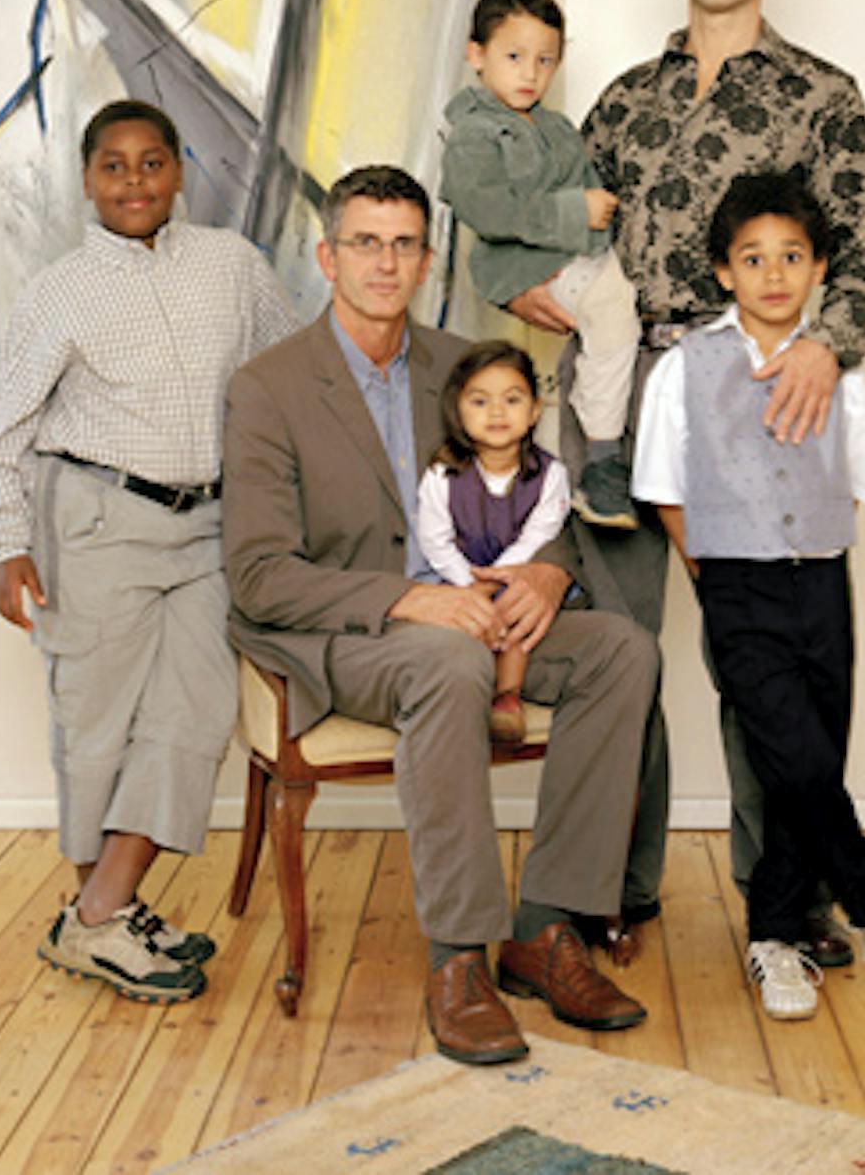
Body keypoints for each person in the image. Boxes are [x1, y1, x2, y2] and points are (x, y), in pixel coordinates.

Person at [508, 0, 865, 965]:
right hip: (615, 392)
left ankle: (791, 903)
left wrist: (824, 344)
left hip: (752, 394)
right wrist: (521, 283)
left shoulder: (822, 95)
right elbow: (551, 225)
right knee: (616, 652)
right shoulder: (624, 98)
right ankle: (612, 891)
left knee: (760, 660)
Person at [224, 165, 659, 1066]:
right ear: (328, 258)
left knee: (622, 650)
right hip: (349, 634)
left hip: (477, 609)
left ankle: (545, 928)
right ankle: (459, 957)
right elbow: (259, 576)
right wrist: (407, 598)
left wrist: (546, 574)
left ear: (427, 261)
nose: (385, 263)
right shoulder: (268, 387)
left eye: (404, 245)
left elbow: (540, 496)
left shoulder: (464, 369)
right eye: (365, 243)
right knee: (448, 659)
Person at [0, 98, 297, 1003]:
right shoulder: (60, 290)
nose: (134, 182)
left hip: (210, 525)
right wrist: (3, 542)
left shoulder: (233, 266)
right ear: (87, 181)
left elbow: (284, 376)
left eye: (152, 163)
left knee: (196, 712)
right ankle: (106, 921)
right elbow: (2, 431)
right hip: (97, 522)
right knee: (97, 723)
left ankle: (97, 914)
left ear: (179, 170)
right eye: (113, 166)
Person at [632, 173, 865, 1019]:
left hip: (822, 577)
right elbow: (664, 487)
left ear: (819, 267)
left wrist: (809, 545)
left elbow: (855, 479)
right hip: (734, 583)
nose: (773, 274)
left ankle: (775, 935)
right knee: (790, 753)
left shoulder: (839, 371)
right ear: (724, 271)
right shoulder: (685, 368)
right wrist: (714, 576)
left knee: (810, 758)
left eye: (792, 257)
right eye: (753, 258)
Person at [441, 0, 640, 529]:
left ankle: (591, 458)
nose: (530, 73)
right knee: (612, 309)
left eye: (545, 60)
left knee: (615, 313)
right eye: (514, 57)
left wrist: (598, 212)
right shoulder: (473, 136)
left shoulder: (556, 128)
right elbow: (490, 211)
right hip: (525, 269)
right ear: (476, 54)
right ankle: (601, 458)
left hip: (577, 255)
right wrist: (577, 211)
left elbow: (590, 192)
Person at [418, 340, 572, 744]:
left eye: (512, 399)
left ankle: (507, 696)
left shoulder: (550, 475)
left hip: (517, 579)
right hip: (458, 579)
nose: (497, 412)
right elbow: (434, 540)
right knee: (455, 624)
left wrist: (498, 582)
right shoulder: (442, 473)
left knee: (517, 616)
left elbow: (539, 535)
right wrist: (470, 585)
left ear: (535, 409)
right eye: (480, 401)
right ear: (458, 410)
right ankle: (461, 697)